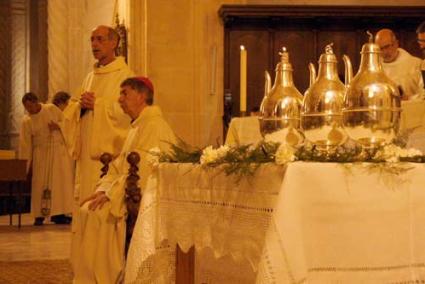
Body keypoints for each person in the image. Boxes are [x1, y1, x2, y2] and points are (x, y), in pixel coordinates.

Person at [72, 77, 176, 283]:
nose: (119, 99)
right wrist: (103, 190)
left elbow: (146, 172)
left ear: (141, 96)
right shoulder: (137, 127)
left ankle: (106, 276)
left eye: (124, 93)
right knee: (88, 209)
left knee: (98, 213)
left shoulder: (155, 125)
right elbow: (119, 165)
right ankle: (90, 276)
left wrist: (112, 193)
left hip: (143, 196)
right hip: (123, 189)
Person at [64, 25, 134, 264]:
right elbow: (71, 109)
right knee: (83, 209)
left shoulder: (125, 75)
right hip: (86, 160)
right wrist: (80, 106)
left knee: (99, 212)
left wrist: (100, 105)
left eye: (100, 39)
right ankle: (84, 264)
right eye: (92, 39)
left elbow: (129, 115)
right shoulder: (90, 75)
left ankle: (102, 265)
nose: (94, 44)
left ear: (114, 43)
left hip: (107, 159)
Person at [18, 92, 74, 225]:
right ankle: (39, 215)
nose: (30, 110)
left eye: (31, 106)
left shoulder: (50, 109)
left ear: (37, 102)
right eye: (27, 108)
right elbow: (25, 144)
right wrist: (24, 167)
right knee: (39, 183)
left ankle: (59, 214)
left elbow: (67, 122)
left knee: (59, 183)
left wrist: (58, 127)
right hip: (40, 154)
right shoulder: (27, 121)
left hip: (57, 151)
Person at [375, 28, 424, 100]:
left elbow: (423, 95)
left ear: (396, 44)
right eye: (380, 49)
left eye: (387, 46)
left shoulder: (416, 64)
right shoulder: (375, 69)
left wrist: (408, 98)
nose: (385, 52)